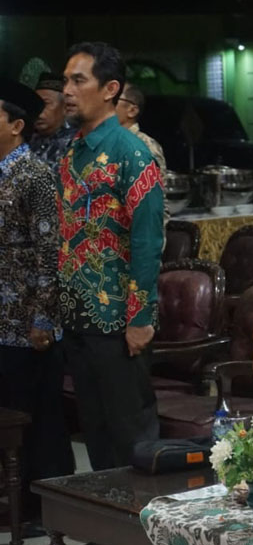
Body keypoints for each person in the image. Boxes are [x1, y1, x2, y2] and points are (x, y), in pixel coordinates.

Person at [58, 42, 164, 471]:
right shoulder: (72, 151)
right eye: (66, 81)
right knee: (96, 434)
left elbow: (147, 240)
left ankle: (140, 515)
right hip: (77, 316)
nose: (67, 90)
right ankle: (104, 516)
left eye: (78, 80)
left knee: (131, 436)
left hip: (118, 320)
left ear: (110, 89)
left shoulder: (131, 153)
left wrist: (141, 317)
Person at [0, 79, 75, 529]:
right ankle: (17, 503)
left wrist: (44, 319)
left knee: (39, 420)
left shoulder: (34, 175)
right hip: (0, 319)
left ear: (16, 125)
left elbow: (51, 253)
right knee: (10, 417)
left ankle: (49, 510)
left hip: (28, 319)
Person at [29, 71, 76, 171]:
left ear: (64, 107)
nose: (38, 111)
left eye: (46, 104)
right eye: (35, 104)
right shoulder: (27, 137)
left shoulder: (74, 143)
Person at [116, 83, 167, 175]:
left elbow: (154, 182)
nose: (106, 105)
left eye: (114, 100)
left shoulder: (146, 145)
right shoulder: (102, 141)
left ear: (132, 111)